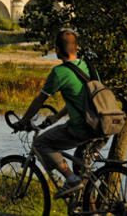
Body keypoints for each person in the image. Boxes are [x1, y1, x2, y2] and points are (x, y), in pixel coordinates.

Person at [14, 29, 105, 196]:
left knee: (41, 143)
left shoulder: (59, 72)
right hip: (102, 127)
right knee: (82, 169)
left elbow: (39, 100)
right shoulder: (88, 67)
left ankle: (71, 179)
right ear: (76, 47)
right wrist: (57, 116)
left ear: (57, 49)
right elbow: (86, 99)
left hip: (82, 128)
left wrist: (24, 121)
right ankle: (90, 209)